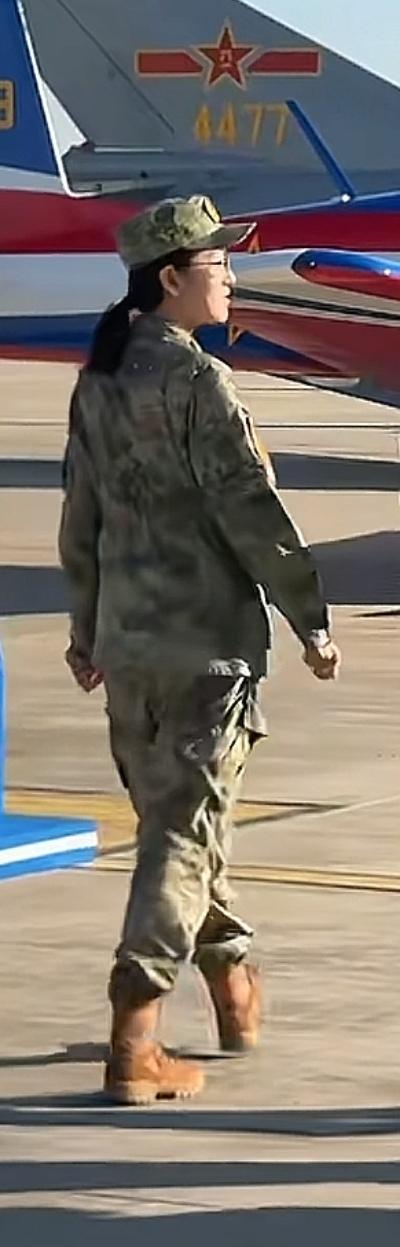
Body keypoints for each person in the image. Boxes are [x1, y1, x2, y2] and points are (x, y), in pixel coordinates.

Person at [59, 194, 341, 1106]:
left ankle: (231, 983)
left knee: (180, 826)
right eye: (217, 264)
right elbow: (250, 508)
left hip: (129, 648)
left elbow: (80, 515)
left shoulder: (99, 378)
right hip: (207, 652)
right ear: (172, 277)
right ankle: (135, 1037)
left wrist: (86, 628)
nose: (229, 278)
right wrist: (310, 617)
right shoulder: (199, 382)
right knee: (182, 838)